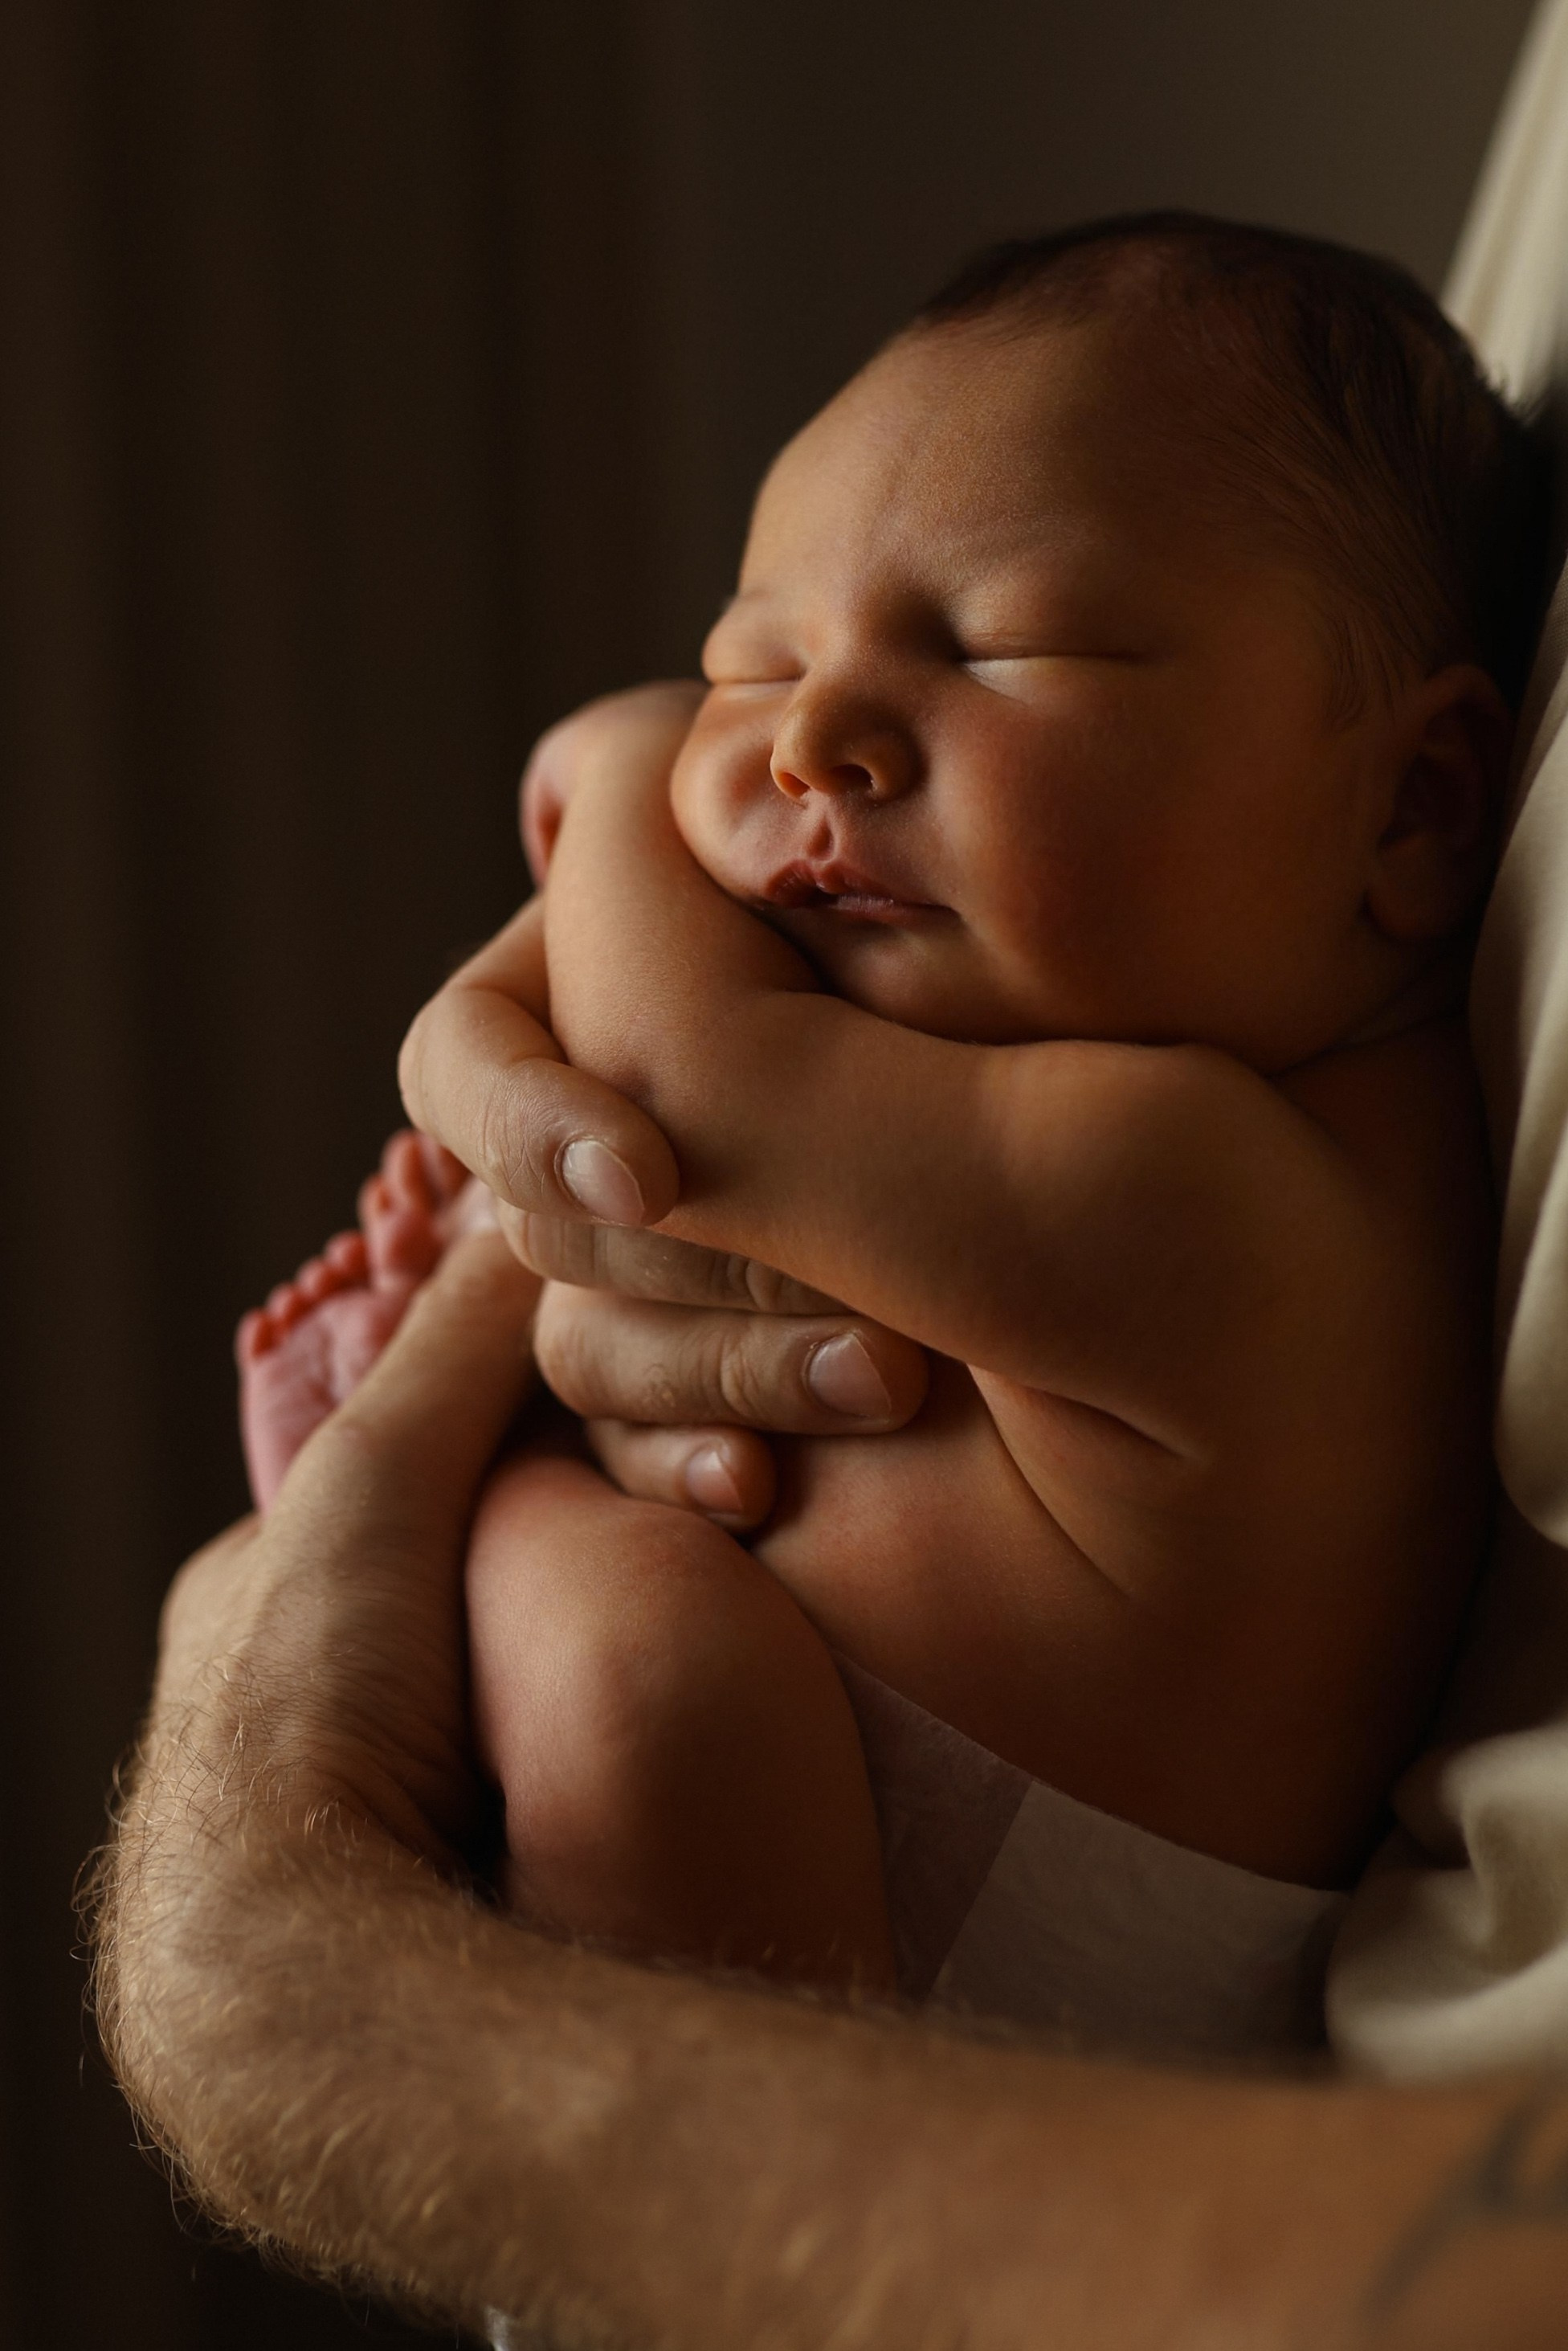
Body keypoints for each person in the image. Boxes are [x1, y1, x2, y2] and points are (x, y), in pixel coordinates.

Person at [239, 219, 1537, 2041]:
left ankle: (440, 1467)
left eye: (1003, 649)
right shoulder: (1080, 1072)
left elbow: (693, 1094)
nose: (809, 738)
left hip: (910, 2100)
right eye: (745, 668)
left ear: (1414, 804)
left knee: (640, 1662)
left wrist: (624, 764)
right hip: (796, 1935)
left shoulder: (1235, 1209)